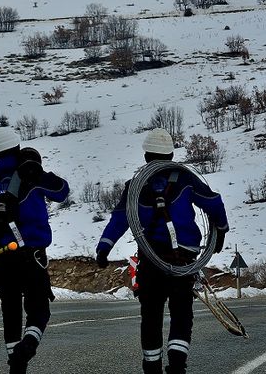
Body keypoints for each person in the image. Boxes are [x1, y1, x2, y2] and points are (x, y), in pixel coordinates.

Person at [95, 128, 229, 374]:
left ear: (146, 156)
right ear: (171, 154)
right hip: (182, 260)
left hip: (151, 260)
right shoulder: (185, 179)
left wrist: (104, 247)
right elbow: (213, 202)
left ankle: (152, 368)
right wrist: (221, 228)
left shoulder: (135, 185)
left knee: (151, 315)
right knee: (181, 314)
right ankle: (177, 366)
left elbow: (119, 219)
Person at [0, 127, 69, 374]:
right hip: (32, 256)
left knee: (10, 315)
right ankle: (28, 346)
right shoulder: (31, 175)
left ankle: (16, 366)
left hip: (2, 259)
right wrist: (41, 172)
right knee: (39, 311)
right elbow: (62, 192)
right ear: (17, 147)